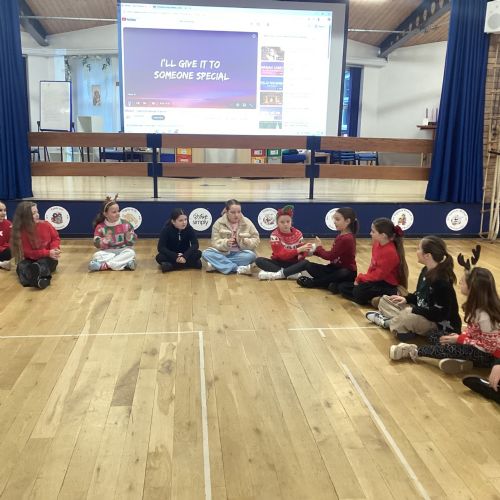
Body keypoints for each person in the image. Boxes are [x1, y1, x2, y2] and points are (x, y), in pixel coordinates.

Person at [390, 246, 500, 376]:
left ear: (473, 288)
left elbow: (490, 347)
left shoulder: (485, 314)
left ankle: (414, 351)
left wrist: (460, 339)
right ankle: (461, 362)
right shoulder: (475, 306)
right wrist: (460, 337)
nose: (460, 282)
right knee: (435, 335)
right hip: (474, 345)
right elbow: (473, 332)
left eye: (463, 282)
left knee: (451, 348)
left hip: (488, 356)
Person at [365, 236, 461, 341]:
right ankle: (398, 322)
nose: (417, 251)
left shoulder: (441, 282)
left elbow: (439, 315)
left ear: (427, 256)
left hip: (438, 324)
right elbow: (420, 296)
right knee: (385, 300)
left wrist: (414, 310)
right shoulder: (425, 270)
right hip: (423, 314)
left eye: (419, 249)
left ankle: (387, 322)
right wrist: (407, 299)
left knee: (407, 318)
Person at [337, 217, 408, 305]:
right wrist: (364, 280)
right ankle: (372, 300)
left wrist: (361, 278)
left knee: (359, 291)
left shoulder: (390, 252)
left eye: (373, 231)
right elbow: (372, 267)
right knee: (343, 287)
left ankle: (385, 297)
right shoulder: (377, 244)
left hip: (387, 284)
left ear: (383, 235)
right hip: (376, 281)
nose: (370, 233)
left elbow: (379, 275)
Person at [296, 207, 358, 289]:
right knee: (308, 266)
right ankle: (331, 284)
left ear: (347, 221)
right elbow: (332, 256)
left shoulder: (347, 238)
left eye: (337, 219)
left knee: (343, 273)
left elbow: (329, 256)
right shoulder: (341, 235)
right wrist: (313, 250)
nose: (334, 222)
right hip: (334, 268)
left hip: (346, 272)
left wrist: (319, 247)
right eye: (334, 219)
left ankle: (315, 282)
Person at [11, 201, 61, 289]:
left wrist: (54, 249)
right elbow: (27, 252)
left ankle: (35, 279)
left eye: (37, 212)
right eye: (33, 213)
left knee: (41, 263)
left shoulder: (46, 225)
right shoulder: (20, 231)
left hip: (48, 258)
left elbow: (55, 238)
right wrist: (47, 252)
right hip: (31, 259)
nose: (37, 215)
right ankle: (39, 281)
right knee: (21, 266)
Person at [202, 199, 259, 275]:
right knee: (206, 253)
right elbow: (214, 242)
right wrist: (226, 243)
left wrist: (247, 241)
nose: (236, 215)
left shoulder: (247, 222)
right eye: (233, 212)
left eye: (239, 212)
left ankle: (216, 265)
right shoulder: (218, 223)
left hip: (240, 253)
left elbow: (256, 239)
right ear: (226, 211)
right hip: (222, 253)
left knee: (251, 256)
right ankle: (237, 268)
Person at [255, 205, 311, 280]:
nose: (285, 224)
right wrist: (299, 249)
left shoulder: (298, 233)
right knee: (259, 260)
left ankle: (281, 274)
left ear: (291, 222)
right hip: (279, 262)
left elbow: (302, 255)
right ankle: (289, 273)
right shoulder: (274, 235)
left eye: (288, 221)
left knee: (305, 262)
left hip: (294, 263)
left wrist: (309, 250)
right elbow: (282, 255)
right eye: (282, 222)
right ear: (277, 223)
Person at [88, 196, 136, 272]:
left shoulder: (126, 224)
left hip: (123, 250)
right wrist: (104, 240)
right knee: (97, 255)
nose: (117, 214)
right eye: (114, 212)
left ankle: (104, 266)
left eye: (118, 211)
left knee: (131, 253)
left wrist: (129, 238)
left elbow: (132, 242)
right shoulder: (100, 227)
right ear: (106, 214)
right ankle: (124, 264)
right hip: (108, 252)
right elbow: (96, 244)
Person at [155, 208, 202, 272]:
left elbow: (195, 245)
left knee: (199, 253)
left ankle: (171, 266)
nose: (184, 222)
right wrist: (175, 256)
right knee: (159, 257)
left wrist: (184, 256)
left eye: (185, 219)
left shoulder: (189, 229)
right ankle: (190, 264)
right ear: (173, 221)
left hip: (185, 253)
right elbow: (161, 247)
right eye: (180, 220)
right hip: (172, 254)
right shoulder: (166, 229)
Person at [0, 201, 12, 270]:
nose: (3, 213)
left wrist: (3, 248)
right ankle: (1, 264)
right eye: (0, 210)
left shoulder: (9, 224)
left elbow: (11, 242)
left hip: (2, 252)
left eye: (5, 210)